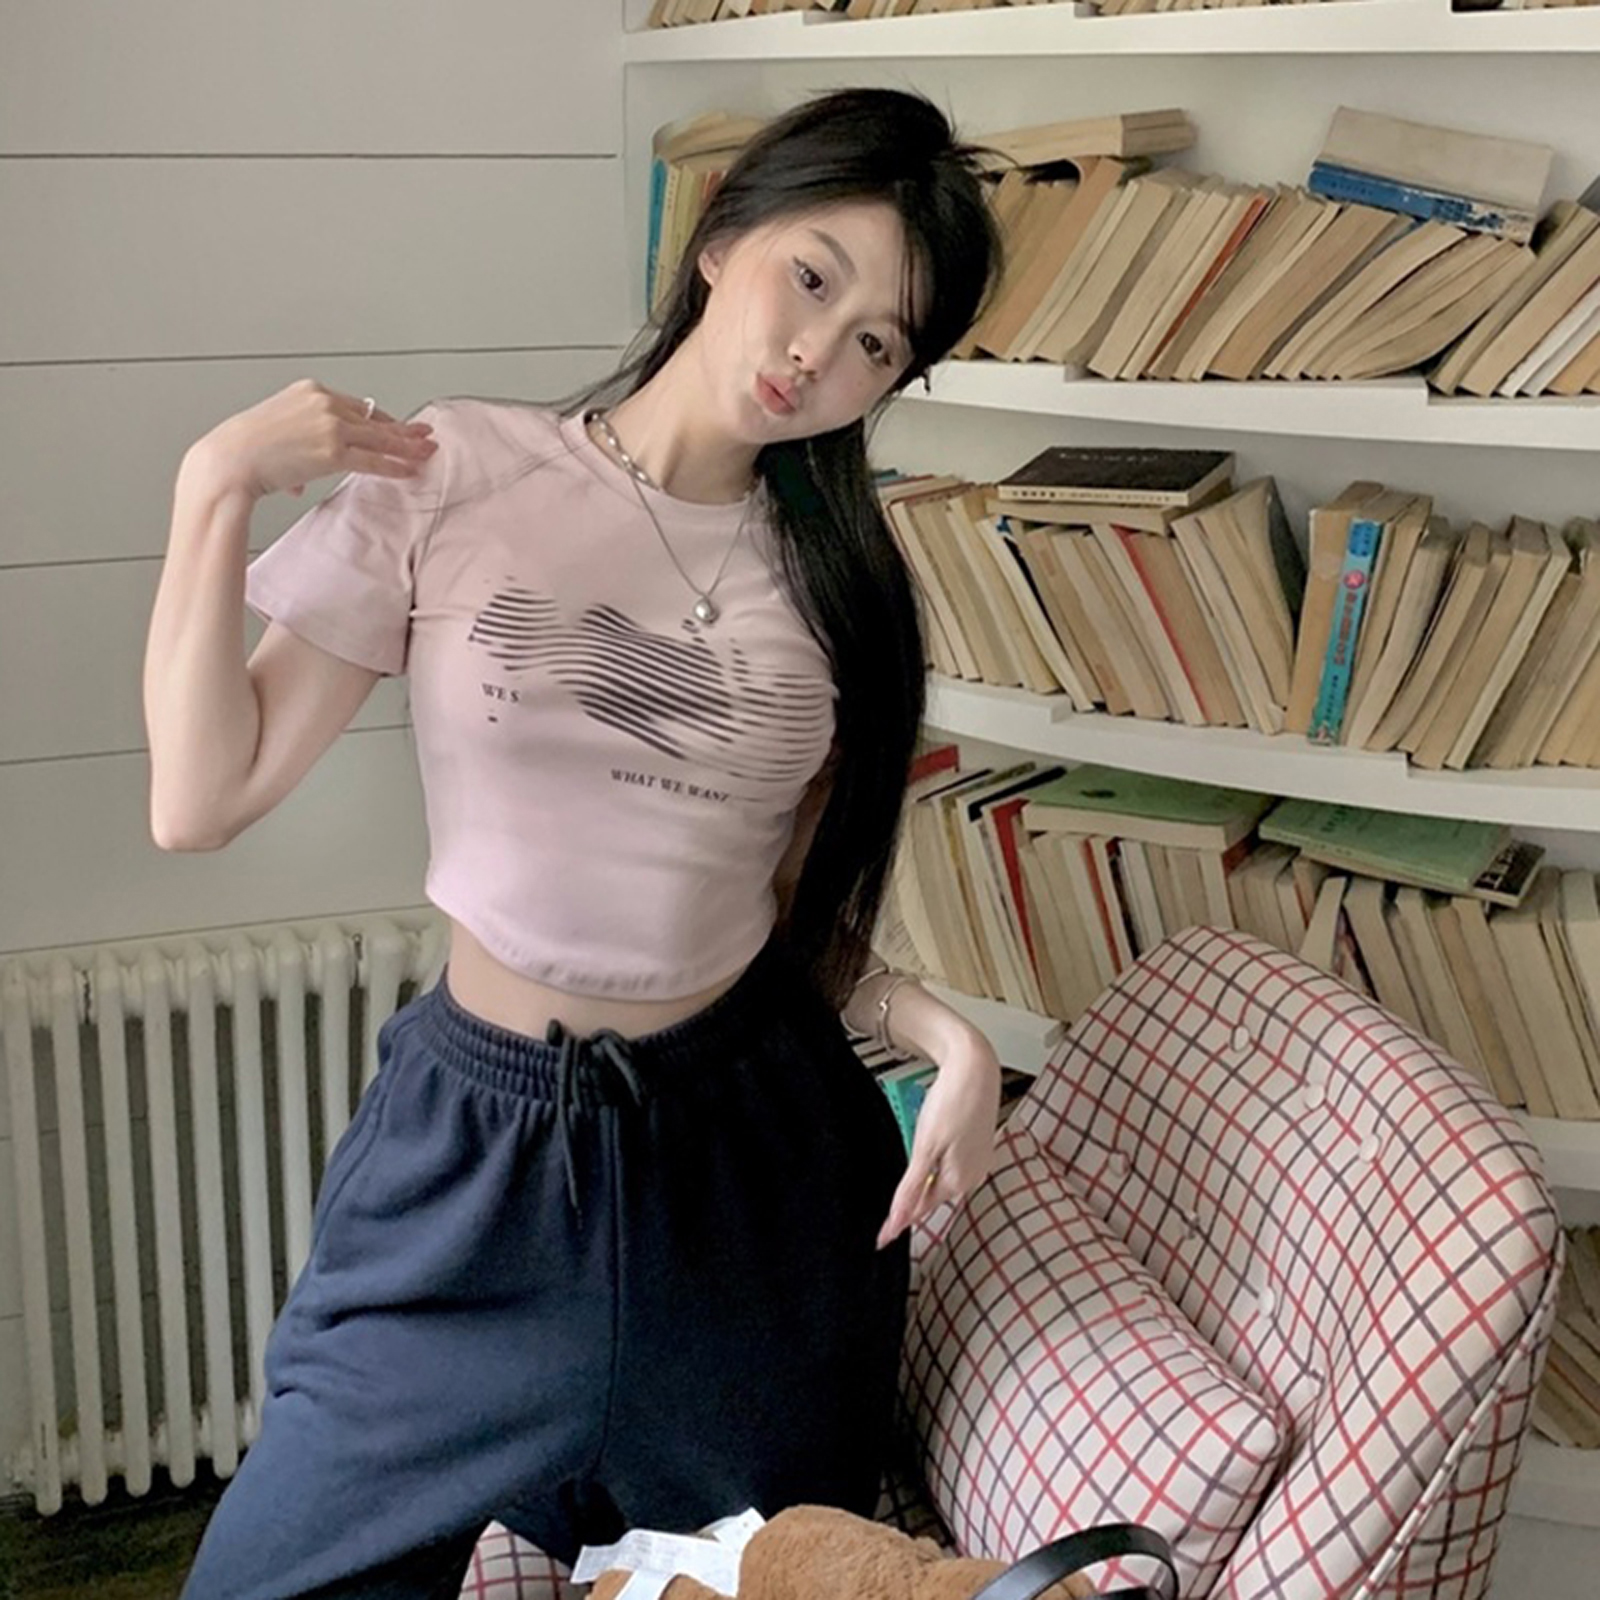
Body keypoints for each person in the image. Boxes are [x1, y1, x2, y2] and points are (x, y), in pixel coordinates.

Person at [146, 84, 1006, 1600]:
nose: (819, 352)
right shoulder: (456, 469)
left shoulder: (843, 587)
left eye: (880, 344)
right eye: (812, 277)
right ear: (723, 234)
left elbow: (782, 920)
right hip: (472, 1163)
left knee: (766, 1578)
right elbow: (200, 799)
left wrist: (950, 1036)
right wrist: (212, 487)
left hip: (745, 1168)